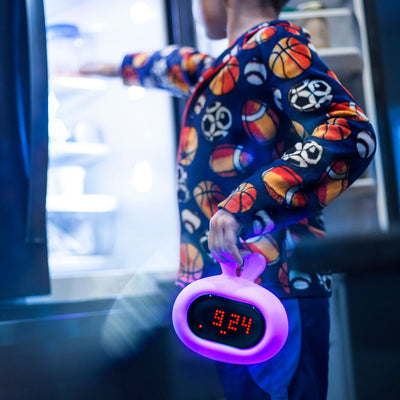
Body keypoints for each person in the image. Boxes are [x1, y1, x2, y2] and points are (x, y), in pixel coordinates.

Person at [81, 0, 376, 398]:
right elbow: (179, 64)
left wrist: (245, 202)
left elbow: (350, 130)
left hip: (273, 288)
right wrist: (113, 68)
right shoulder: (226, 65)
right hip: (230, 295)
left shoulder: (275, 41)